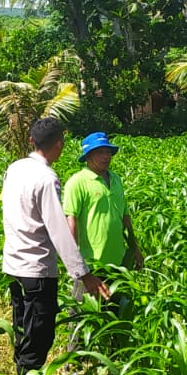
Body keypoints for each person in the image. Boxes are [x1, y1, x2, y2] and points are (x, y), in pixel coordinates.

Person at [1, 118, 108, 375]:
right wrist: (83, 274)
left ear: (31, 141)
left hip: (14, 264)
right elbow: (58, 229)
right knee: (39, 335)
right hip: (37, 270)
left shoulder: (14, 169)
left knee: (22, 328)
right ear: (59, 145)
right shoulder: (47, 178)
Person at [63, 131, 142, 309]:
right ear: (88, 156)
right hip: (90, 263)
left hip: (117, 260)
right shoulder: (77, 182)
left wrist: (134, 248)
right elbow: (71, 221)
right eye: (100, 152)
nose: (106, 156)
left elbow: (125, 217)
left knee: (114, 311)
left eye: (108, 152)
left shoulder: (115, 179)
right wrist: (75, 262)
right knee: (82, 313)